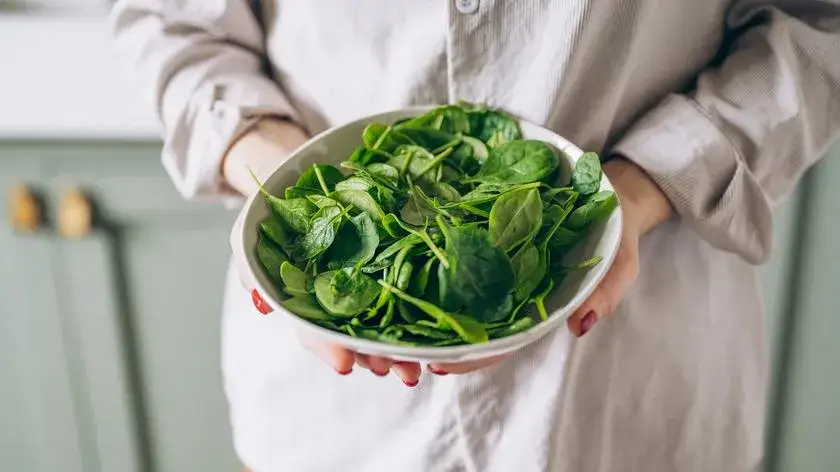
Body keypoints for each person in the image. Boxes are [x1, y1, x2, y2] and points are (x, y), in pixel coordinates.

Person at [108, 1, 840, 471]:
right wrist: (288, 191)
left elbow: (817, 26)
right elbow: (174, 22)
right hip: (337, 419)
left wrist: (641, 188)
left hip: (637, 390)